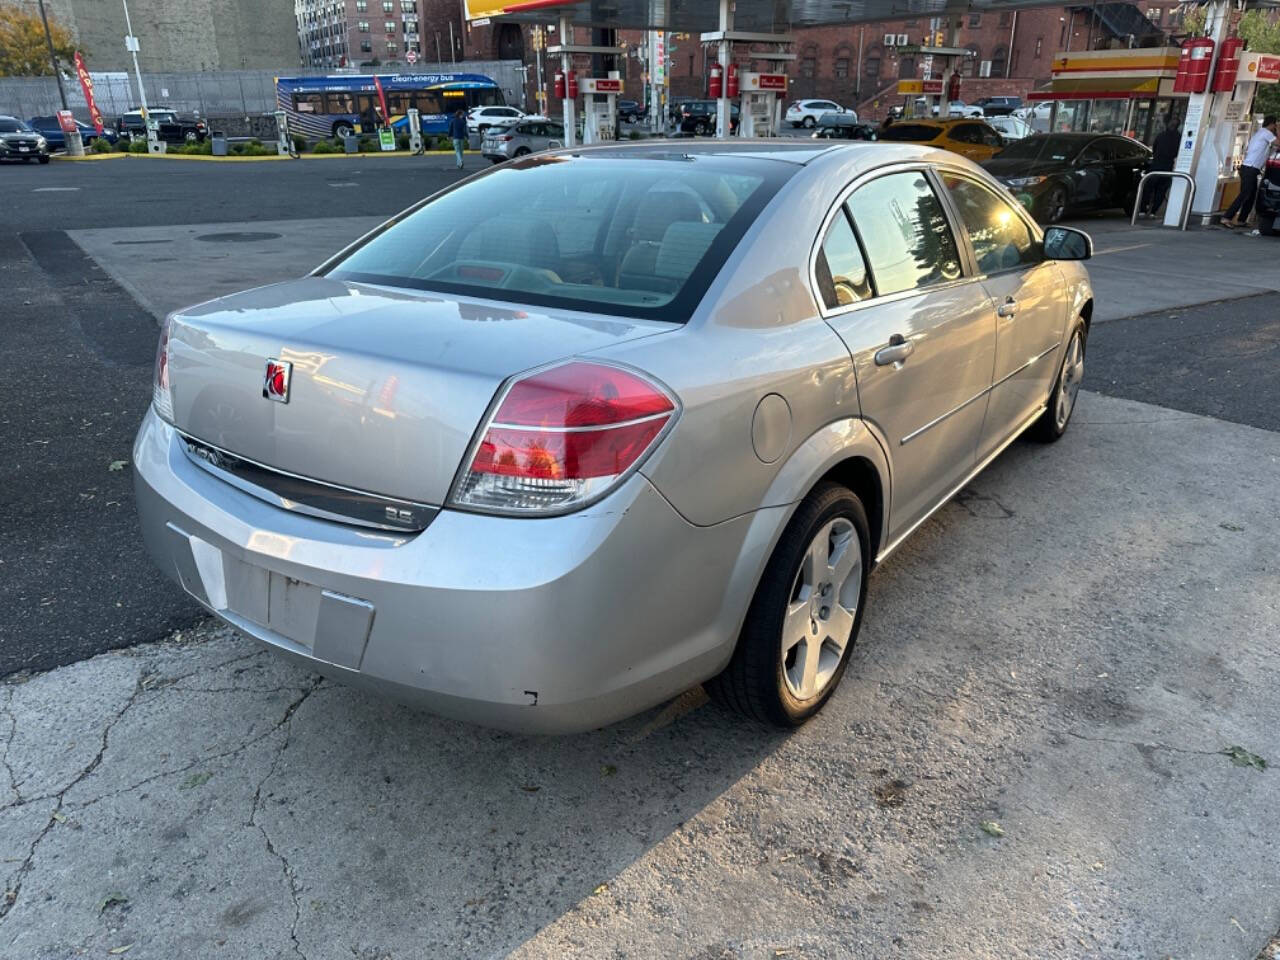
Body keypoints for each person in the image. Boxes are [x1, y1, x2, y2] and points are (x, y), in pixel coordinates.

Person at [1222, 115, 1277, 228]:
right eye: (1275, 125)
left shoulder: (1260, 133)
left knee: (1251, 195)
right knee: (1245, 194)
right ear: (1272, 124)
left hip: (1251, 168)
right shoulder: (1266, 133)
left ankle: (1242, 219)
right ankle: (1227, 217)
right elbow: (1278, 143)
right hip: (1250, 168)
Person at [1141, 115, 1181, 217]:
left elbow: (1154, 149)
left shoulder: (1161, 136)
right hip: (1168, 166)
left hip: (1156, 165)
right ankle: (1153, 211)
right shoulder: (1179, 138)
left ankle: (1143, 209)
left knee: (1148, 188)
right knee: (1161, 190)